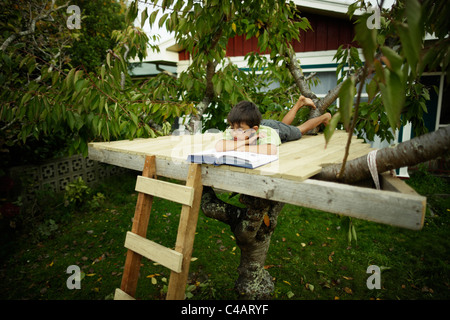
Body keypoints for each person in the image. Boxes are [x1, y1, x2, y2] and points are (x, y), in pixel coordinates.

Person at [215, 95, 331, 155]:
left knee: (298, 130)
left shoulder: (267, 133)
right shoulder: (236, 128)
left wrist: (239, 147)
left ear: (254, 130)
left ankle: (324, 117)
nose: (234, 133)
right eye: (232, 128)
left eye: (240, 130)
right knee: (284, 124)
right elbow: (219, 146)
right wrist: (245, 142)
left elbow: (271, 150)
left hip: (272, 128)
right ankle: (300, 102)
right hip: (261, 124)